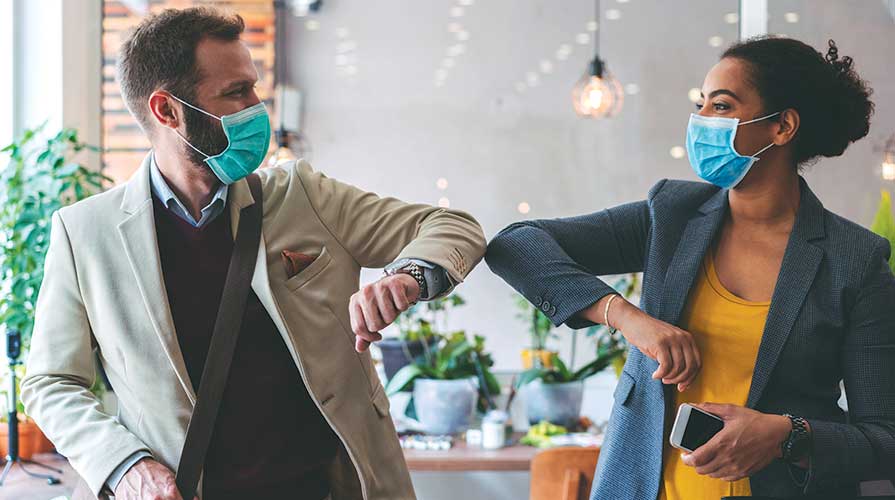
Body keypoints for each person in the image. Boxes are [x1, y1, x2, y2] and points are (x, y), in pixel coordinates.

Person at [21, 7, 485, 500]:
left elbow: (453, 225)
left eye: (253, 86)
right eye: (235, 92)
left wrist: (408, 275)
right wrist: (124, 463)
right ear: (167, 110)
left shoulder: (304, 194)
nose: (256, 106)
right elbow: (51, 382)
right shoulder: (85, 233)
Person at [486, 37, 894, 500]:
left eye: (721, 106)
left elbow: (884, 438)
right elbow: (514, 245)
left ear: (782, 126)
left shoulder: (855, 261)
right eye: (701, 105)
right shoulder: (672, 216)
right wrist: (627, 318)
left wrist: (786, 435)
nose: (702, 123)